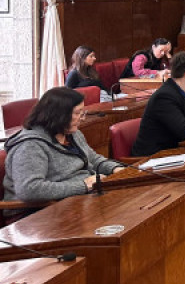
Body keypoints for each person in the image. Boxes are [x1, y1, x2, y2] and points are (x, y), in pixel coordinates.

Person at [3, 87, 125, 216]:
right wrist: (83, 185)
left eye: (82, 112)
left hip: (77, 201)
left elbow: (93, 160)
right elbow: (29, 190)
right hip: (38, 213)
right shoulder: (30, 145)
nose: (82, 118)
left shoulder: (72, 134)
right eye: (77, 113)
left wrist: (117, 169)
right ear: (59, 115)